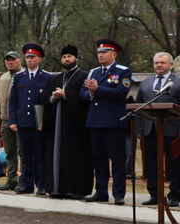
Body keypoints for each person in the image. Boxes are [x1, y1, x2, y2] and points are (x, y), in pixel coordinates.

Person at [80, 38, 132, 205]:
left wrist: (98, 89)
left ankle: (118, 194)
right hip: (95, 122)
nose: (100, 55)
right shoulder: (93, 72)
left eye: (104, 52)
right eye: (99, 53)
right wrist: (91, 93)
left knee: (117, 160)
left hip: (113, 122)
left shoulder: (123, 71)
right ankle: (101, 191)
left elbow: (120, 93)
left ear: (113, 54)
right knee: (99, 160)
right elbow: (82, 94)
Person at [44, 45, 92, 199]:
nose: (66, 59)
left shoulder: (84, 76)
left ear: (76, 58)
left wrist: (66, 95)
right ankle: (57, 189)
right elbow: (45, 98)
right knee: (56, 156)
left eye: (69, 57)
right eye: (64, 57)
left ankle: (76, 189)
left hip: (76, 126)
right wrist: (53, 97)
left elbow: (85, 98)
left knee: (75, 157)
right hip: (57, 124)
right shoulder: (57, 78)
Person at [135, 51, 180, 207]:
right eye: (156, 62)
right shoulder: (145, 83)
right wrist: (139, 130)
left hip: (173, 130)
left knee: (175, 165)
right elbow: (138, 106)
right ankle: (155, 194)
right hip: (150, 130)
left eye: (162, 62)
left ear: (171, 65)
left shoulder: (178, 82)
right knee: (151, 164)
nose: (159, 65)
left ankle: (175, 195)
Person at [9, 43, 53, 195]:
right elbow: (13, 100)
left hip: (38, 122)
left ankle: (41, 184)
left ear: (39, 59)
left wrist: (44, 121)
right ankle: (27, 184)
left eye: (32, 57)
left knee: (40, 154)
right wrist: (13, 120)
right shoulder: (19, 77)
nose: (29, 60)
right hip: (23, 121)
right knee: (25, 154)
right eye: (27, 57)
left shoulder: (46, 77)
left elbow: (48, 102)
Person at [0, 51, 23, 190]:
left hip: (19, 120)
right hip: (5, 120)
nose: (10, 62)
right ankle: (12, 179)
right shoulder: (3, 78)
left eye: (13, 60)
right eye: (7, 60)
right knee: (9, 151)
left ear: (19, 61)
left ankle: (24, 179)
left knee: (22, 151)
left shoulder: (23, 75)